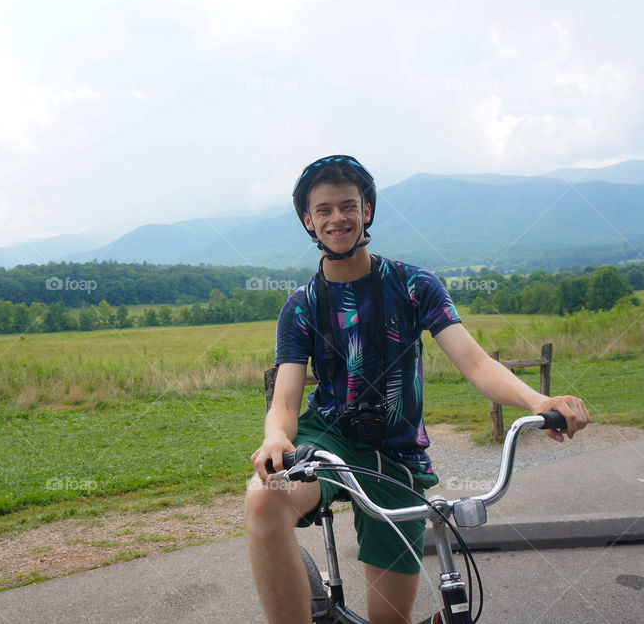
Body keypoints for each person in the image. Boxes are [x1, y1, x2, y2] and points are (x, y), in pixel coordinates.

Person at [245, 154, 590, 624]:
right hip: (328, 442)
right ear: (308, 220)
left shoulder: (414, 285)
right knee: (264, 497)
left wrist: (538, 401)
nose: (337, 218)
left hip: (397, 454)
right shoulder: (301, 306)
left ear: (367, 210)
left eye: (348, 205)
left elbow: (475, 362)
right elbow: (285, 400)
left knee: (391, 620)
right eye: (323, 210)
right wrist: (276, 438)